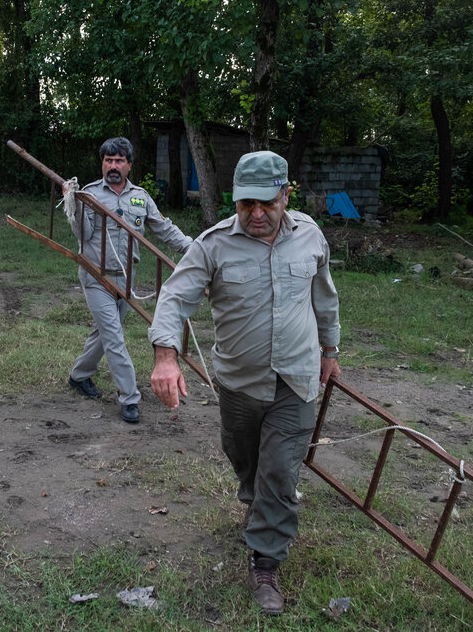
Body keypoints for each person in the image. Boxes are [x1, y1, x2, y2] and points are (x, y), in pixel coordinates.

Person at [147, 150, 341, 615]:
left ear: (285, 195)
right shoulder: (213, 245)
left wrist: (330, 352)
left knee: (279, 470)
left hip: (295, 381)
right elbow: (175, 297)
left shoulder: (310, 236)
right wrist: (165, 355)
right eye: (245, 205)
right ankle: (256, 507)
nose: (256, 215)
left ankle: (266, 561)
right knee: (246, 461)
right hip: (238, 384)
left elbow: (324, 296)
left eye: (266, 205)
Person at [64, 137, 193, 424]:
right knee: (113, 336)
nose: (113, 166)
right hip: (96, 275)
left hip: (125, 279)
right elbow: (83, 235)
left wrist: (193, 248)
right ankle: (129, 397)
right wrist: (73, 204)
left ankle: (78, 376)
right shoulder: (90, 194)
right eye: (108, 160)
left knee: (104, 332)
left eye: (119, 160)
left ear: (129, 165)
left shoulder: (141, 197)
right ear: (102, 163)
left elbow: (164, 228)